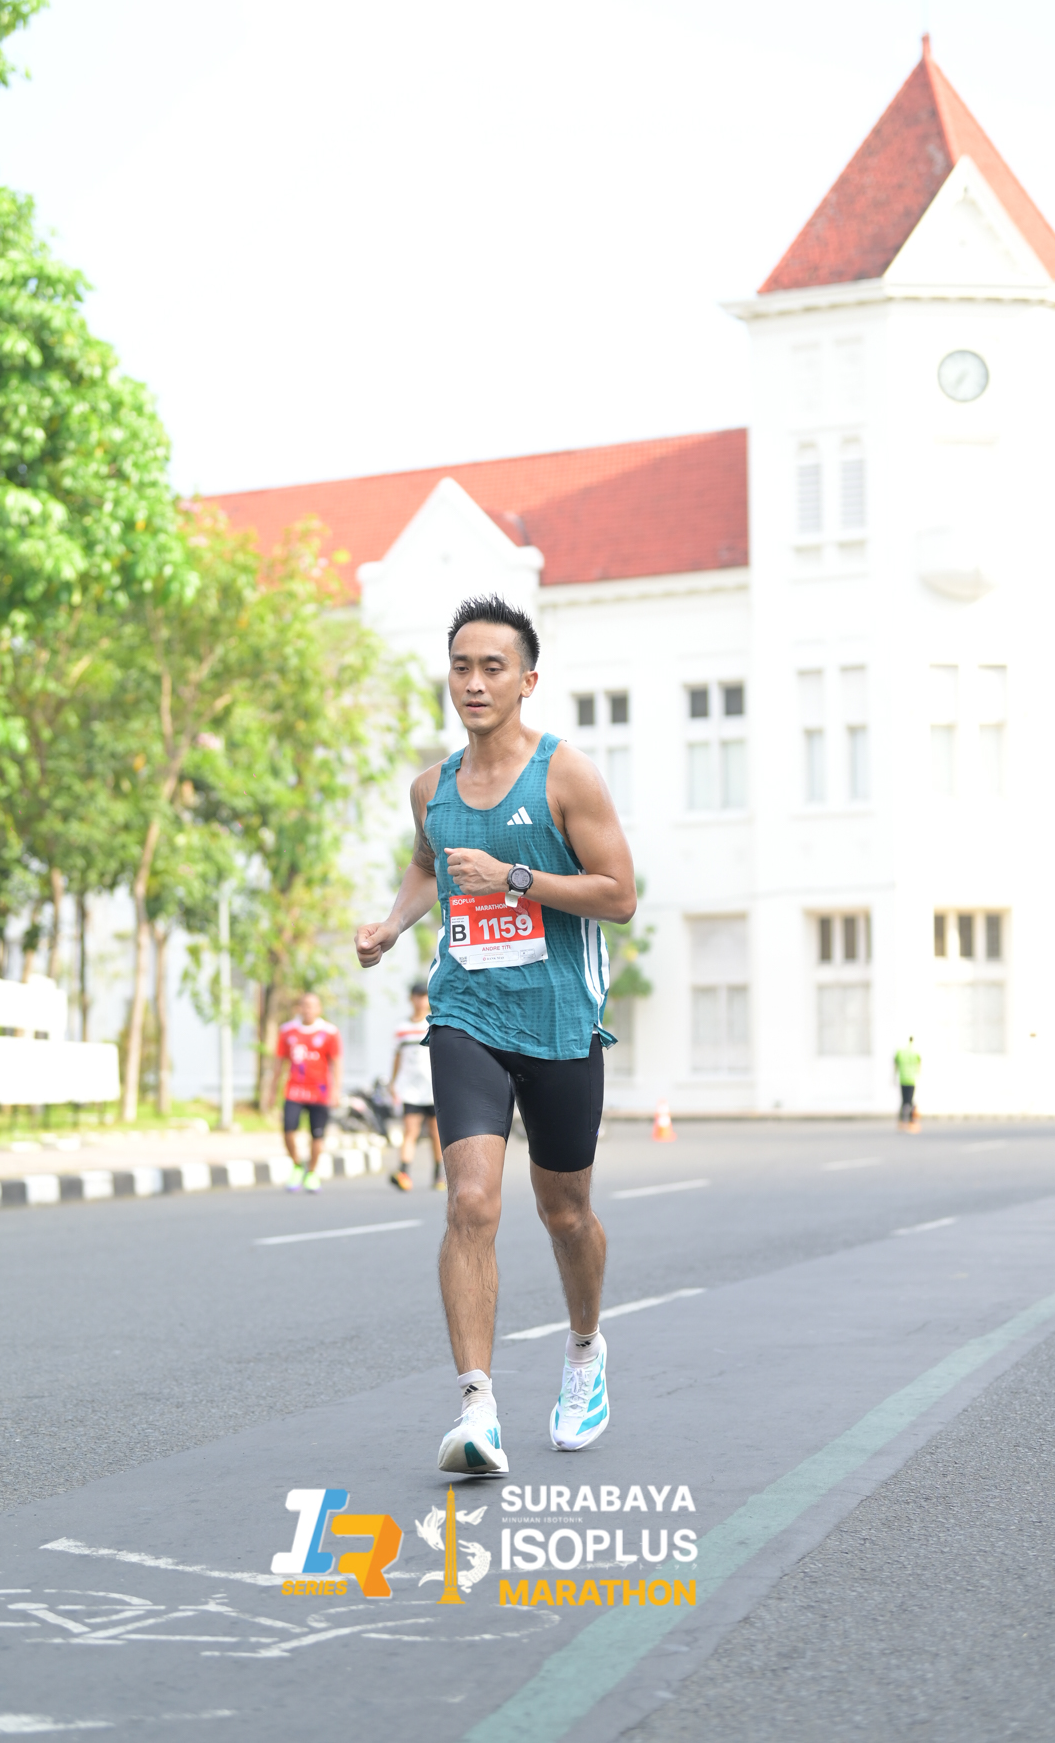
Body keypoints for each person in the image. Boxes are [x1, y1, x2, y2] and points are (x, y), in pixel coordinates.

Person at [355, 593, 636, 1475]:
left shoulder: (566, 776)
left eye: (493, 668)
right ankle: (477, 1407)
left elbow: (619, 895)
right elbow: (428, 863)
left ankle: (585, 1349)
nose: (474, 683)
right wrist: (393, 925)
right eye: (461, 667)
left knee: (565, 1212)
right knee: (471, 1202)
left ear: (526, 681)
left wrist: (515, 878)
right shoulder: (430, 790)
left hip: (558, 1018)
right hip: (466, 1011)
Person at [275, 993, 342, 1192]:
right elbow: (279, 1062)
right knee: (288, 1129)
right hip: (294, 1091)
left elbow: (337, 1063)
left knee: (317, 1135)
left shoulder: (329, 1032)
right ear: (299, 1008)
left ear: (319, 1008)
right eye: (304, 1005)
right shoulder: (287, 1031)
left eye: (312, 1006)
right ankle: (297, 1165)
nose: (308, 1010)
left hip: (319, 1092)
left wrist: (336, 1091)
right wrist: (272, 1090)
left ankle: (312, 1172)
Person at [390, 982, 444, 1192]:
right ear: (411, 999)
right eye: (417, 996)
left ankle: (439, 1174)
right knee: (410, 1130)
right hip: (410, 1089)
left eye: (424, 996)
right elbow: (397, 1057)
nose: (420, 1001)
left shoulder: (434, 1022)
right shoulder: (401, 1028)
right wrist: (394, 1082)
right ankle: (404, 1172)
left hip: (432, 1086)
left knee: (435, 1132)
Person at [895, 1035, 921, 1132]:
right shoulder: (915, 1051)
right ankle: (911, 1122)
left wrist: (894, 1076)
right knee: (910, 1101)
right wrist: (919, 1075)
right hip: (911, 1079)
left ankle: (901, 1122)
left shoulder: (900, 1051)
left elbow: (896, 1064)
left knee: (904, 1101)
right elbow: (919, 1064)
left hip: (902, 1078)